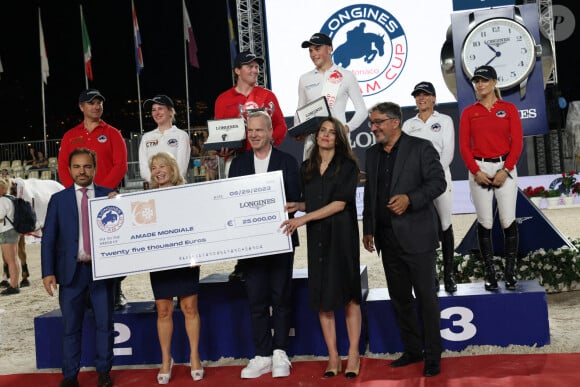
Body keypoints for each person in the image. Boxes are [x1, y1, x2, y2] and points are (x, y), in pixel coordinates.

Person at [362, 102, 445, 377]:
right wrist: (368, 228)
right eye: (372, 123)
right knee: (399, 298)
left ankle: (433, 355)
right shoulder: (372, 154)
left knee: (426, 298)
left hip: (418, 237)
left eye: (378, 122)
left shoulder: (420, 148)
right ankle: (412, 350)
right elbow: (371, 195)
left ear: (395, 122)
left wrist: (410, 199)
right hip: (387, 239)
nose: (373, 127)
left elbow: (437, 183)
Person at [282, 117, 362, 379]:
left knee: (349, 295)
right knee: (322, 299)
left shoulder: (348, 165)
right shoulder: (306, 167)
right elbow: (314, 202)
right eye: (322, 131)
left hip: (342, 235)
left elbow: (339, 203)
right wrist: (298, 206)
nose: (326, 135)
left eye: (331, 132)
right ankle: (332, 356)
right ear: (316, 137)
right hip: (318, 237)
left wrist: (303, 219)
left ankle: (352, 354)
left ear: (339, 138)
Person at [228, 110, 300, 379]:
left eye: (259, 130)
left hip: (280, 239)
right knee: (256, 299)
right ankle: (262, 354)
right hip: (251, 246)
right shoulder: (238, 164)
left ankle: (281, 351)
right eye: (250, 130)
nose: (255, 134)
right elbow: (232, 203)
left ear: (271, 133)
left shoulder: (287, 161)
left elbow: (294, 200)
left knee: (281, 297)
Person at [41, 148, 115, 387]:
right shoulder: (58, 200)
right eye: (77, 167)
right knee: (71, 328)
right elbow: (49, 239)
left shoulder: (109, 196)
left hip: (101, 273)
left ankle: (104, 372)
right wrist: (47, 272)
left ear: (94, 168)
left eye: (86, 166)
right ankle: (70, 375)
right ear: (70, 170)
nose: (82, 171)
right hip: (70, 274)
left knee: (105, 325)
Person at [215, 51, 288, 281]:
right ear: (237, 70)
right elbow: (220, 133)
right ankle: (244, 262)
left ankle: (273, 254)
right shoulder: (223, 99)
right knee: (239, 213)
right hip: (238, 162)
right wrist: (222, 148)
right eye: (249, 66)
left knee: (267, 208)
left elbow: (280, 126)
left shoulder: (267, 96)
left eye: (257, 67)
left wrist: (269, 141)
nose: (255, 70)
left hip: (264, 160)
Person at [57, 88, 129, 310]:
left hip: (105, 200)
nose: (96, 106)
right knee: (80, 246)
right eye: (91, 103)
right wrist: (76, 192)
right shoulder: (70, 135)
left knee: (111, 247)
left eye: (99, 103)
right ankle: (84, 292)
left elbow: (121, 165)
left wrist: (100, 192)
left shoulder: (113, 133)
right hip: (78, 200)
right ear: (81, 107)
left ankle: (115, 291)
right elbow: (63, 167)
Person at [459, 65, 523, 291]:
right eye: (476, 81)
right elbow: (464, 146)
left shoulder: (509, 109)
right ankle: (490, 274)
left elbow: (517, 142)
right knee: (485, 221)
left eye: (484, 80)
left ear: (495, 82)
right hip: (480, 169)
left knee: (508, 220)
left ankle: (510, 273)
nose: (479, 84)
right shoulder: (469, 112)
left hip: (505, 167)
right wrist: (476, 171)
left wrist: (506, 170)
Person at [145, 152, 204, 383]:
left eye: (162, 166)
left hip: (185, 258)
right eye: (154, 167)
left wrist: (199, 252)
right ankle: (165, 359)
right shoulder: (145, 200)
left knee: (190, 308)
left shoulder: (187, 194)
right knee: (163, 310)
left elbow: (198, 225)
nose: (158, 170)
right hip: (160, 261)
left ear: (172, 169)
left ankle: (194, 356)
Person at [402, 81, 457, 292]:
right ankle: (431, 275)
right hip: (417, 185)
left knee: (445, 224)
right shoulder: (408, 125)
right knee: (425, 229)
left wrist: (432, 176)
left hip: (440, 179)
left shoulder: (444, 120)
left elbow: (448, 152)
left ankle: (449, 274)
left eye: (425, 95)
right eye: (417, 95)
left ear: (434, 98)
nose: (421, 98)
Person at [296, 32, 367, 159]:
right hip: (313, 144)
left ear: (329, 49)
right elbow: (299, 111)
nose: (313, 54)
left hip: (338, 142)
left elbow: (362, 110)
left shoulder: (346, 76)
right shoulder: (304, 79)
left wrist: (345, 128)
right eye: (310, 51)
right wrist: (299, 130)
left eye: (317, 49)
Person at [138, 95, 191, 187]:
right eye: (153, 110)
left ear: (170, 111)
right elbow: (143, 166)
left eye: (160, 108)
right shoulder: (146, 137)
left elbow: (181, 166)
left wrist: (169, 184)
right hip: (153, 189)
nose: (156, 113)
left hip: (175, 188)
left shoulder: (181, 135)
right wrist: (155, 183)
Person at [0, 177, 20, 295]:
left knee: (11, 260)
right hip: (12, 230)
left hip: (7, 231)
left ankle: (13, 285)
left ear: (2, 188)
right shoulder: (11, 198)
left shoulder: (2, 200)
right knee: (13, 259)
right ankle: (14, 283)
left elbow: (1, 217)